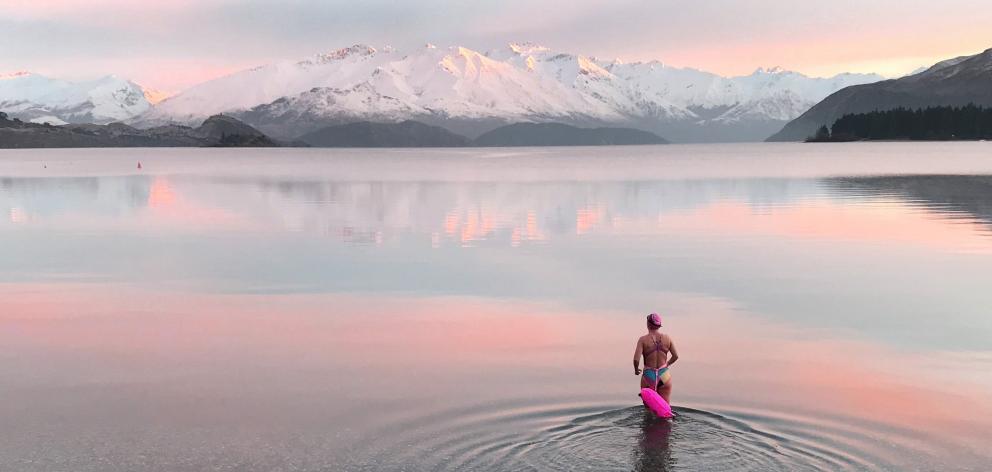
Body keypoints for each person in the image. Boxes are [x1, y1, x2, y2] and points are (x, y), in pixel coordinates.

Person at [633, 313, 679, 404]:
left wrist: (636, 369)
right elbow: (676, 356)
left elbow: (636, 359)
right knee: (665, 407)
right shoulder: (667, 338)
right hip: (664, 375)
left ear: (648, 324)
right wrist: (667, 364)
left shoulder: (643, 340)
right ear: (659, 325)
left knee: (648, 409)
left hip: (649, 376)